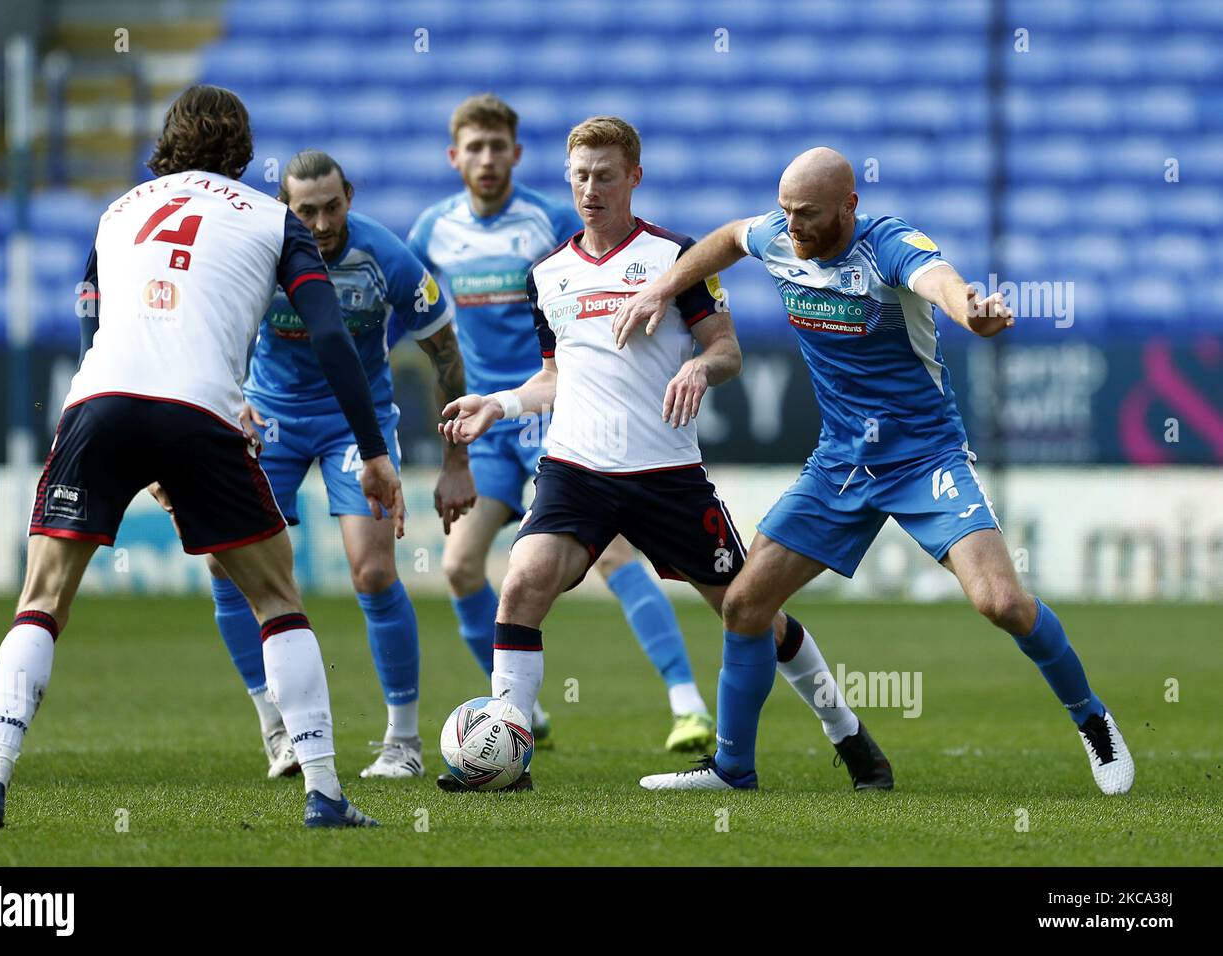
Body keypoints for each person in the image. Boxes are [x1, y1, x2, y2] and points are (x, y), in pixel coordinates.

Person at [0, 86, 397, 829]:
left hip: (99, 404)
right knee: (277, 599)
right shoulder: (276, 219)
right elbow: (333, 337)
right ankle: (324, 794)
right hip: (200, 412)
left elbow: (90, 321)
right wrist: (372, 450)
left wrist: (126, 439)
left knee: (41, 599)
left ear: (167, 142)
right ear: (244, 152)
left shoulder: (118, 212)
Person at [616, 147, 1134, 795]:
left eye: (808, 215)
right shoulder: (778, 237)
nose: (793, 227)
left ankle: (1092, 719)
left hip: (923, 456)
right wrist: (661, 286)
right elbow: (725, 238)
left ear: (848, 206)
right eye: (785, 212)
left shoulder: (888, 244)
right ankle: (733, 771)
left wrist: (969, 309)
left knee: (1001, 602)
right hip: (842, 461)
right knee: (746, 606)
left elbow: (937, 279)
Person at [438, 119, 891, 793]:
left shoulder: (678, 259)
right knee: (523, 582)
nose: (591, 189)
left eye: (606, 175)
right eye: (581, 175)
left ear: (634, 178)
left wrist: (701, 369)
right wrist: (498, 404)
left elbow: (728, 351)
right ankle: (509, 754)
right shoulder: (547, 275)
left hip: (666, 477)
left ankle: (847, 734)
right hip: (576, 471)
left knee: (752, 612)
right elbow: (558, 376)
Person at [405, 95, 717, 753]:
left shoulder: (553, 222)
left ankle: (686, 701)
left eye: (499, 147)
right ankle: (518, 716)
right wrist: (456, 452)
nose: (487, 159)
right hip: (497, 416)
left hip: (564, 414)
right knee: (462, 567)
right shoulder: (431, 231)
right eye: (474, 146)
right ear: (453, 156)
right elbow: (428, 331)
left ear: (516, 155)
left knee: (611, 551)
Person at [169, 149, 474, 782]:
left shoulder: (386, 257)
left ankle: (403, 739)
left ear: (350, 197)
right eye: (306, 210)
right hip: (269, 418)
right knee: (226, 567)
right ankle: (275, 729)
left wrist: (455, 462)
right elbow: (208, 334)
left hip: (352, 423)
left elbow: (445, 353)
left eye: (332, 206)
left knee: (370, 572)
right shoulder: (256, 251)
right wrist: (225, 409)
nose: (322, 222)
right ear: (285, 207)